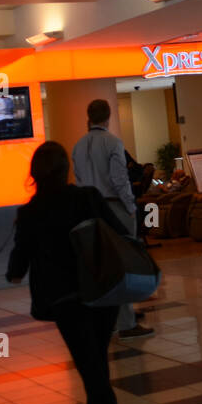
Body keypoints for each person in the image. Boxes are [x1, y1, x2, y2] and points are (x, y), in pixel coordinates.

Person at [5, 141, 143, 404]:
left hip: (66, 301)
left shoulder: (30, 212)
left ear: (34, 175)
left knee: (91, 368)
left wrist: (14, 272)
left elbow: (19, 262)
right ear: (66, 169)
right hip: (103, 293)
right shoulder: (88, 198)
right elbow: (121, 234)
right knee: (96, 363)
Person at [72, 100, 153, 339]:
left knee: (102, 266)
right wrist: (131, 208)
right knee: (124, 265)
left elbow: (79, 181)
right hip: (114, 207)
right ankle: (127, 322)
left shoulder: (78, 146)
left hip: (90, 210)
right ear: (108, 118)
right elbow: (120, 180)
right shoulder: (113, 142)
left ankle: (112, 319)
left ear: (89, 117)